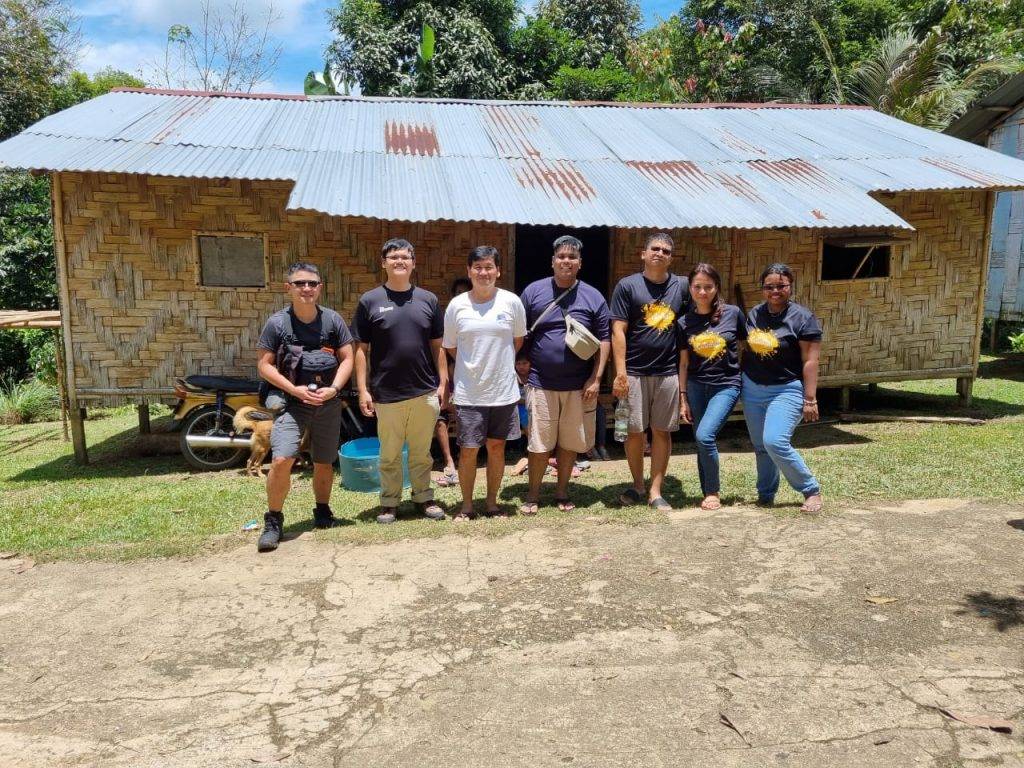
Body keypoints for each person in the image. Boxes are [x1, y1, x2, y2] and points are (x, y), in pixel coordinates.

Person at [255, 262, 354, 552]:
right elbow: (264, 365)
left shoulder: (333, 321)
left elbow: (347, 357)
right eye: (300, 284)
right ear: (289, 288)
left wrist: (334, 389)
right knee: (283, 459)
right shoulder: (277, 324)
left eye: (312, 283)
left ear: (320, 287)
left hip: (328, 402)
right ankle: (273, 521)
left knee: (324, 461)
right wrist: (293, 389)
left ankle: (322, 512)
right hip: (291, 403)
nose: (307, 289)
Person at [353, 238, 447, 524]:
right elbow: (361, 349)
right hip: (387, 392)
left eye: (405, 257)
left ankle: (423, 497)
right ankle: (389, 501)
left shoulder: (428, 300)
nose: (399, 261)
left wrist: (443, 383)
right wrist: (363, 389)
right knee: (390, 453)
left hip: (423, 390)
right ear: (383, 263)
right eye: (393, 257)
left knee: (421, 452)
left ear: (413, 263)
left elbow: (438, 346)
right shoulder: (370, 301)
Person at [519, 235, 611, 514]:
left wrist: (596, 379)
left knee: (570, 443)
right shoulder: (533, 292)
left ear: (580, 263)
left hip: (577, 386)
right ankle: (533, 495)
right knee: (539, 443)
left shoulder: (593, 296)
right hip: (541, 383)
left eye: (572, 257)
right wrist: (519, 361)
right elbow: (519, 332)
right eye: (561, 257)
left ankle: (561, 492)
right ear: (553, 261)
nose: (566, 261)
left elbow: (604, 339)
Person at [442, 246, 526, 520]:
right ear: (469, 271)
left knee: (497, 447)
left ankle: (492, 503)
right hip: (469, 393)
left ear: (498, 271)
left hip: (503, 391)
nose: (483, 272)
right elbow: (452, 347)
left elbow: (517, 341)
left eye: (489, 267)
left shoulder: (511, 302)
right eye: (477, 267)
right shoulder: (457, 306)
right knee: (468, 450)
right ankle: (466, 505)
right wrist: (473, 365)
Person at [610, 233, 690, 510]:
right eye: (654, 249)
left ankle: (655, 490)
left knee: (662, 431)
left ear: (671, 257)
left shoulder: (681, 287)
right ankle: (637, 484)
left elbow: (692, 324)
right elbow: (618, 330)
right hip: (633, 371)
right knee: (634, 431)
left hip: (667, 372)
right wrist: (621, 373)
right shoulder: (628, 286)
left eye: (666, 250)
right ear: (642, 254)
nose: (659, 253)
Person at [741, 263, 824, 514]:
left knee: (774, 441)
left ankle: (810, 489)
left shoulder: (803, 318)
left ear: (790, 286)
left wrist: (810, 398)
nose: (775, 290)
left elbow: (811, 361)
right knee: (760, 445)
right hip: (753, 387)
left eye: (781, 286)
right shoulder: (755, 314)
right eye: (769, 286)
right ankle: (766, 494)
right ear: (762, 288)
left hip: (785, 389)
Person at [677, 263, 746, 511]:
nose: (703, 292)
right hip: (696, 385)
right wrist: (683, 396)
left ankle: (713, 491)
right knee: (700, 439)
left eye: (708, 287)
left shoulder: (733, 313)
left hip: (726, 384)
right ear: (690, 288)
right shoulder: (684, 322)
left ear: (717, 288)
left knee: (705, 436)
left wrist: (743, 374)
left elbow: (746, 344)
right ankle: (707, 490)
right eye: (698, 287)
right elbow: (683, 363)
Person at [435, 277, 472, 487]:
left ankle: (464, 456)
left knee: (465, 415)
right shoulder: (446, 317)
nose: (461, 296)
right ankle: (449, 460)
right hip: (446, 375)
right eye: (457, 292)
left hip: (468, 376)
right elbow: (441, 350)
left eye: (464, 292)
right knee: (441, 415)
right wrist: (445, 382)